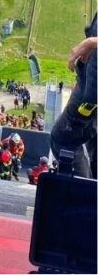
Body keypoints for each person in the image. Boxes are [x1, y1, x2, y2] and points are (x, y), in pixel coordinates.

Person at [50, 13, 97, 178]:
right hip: (88, 84)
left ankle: (86, 198)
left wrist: (84, 112)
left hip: (91, 96)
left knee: (63, 141)